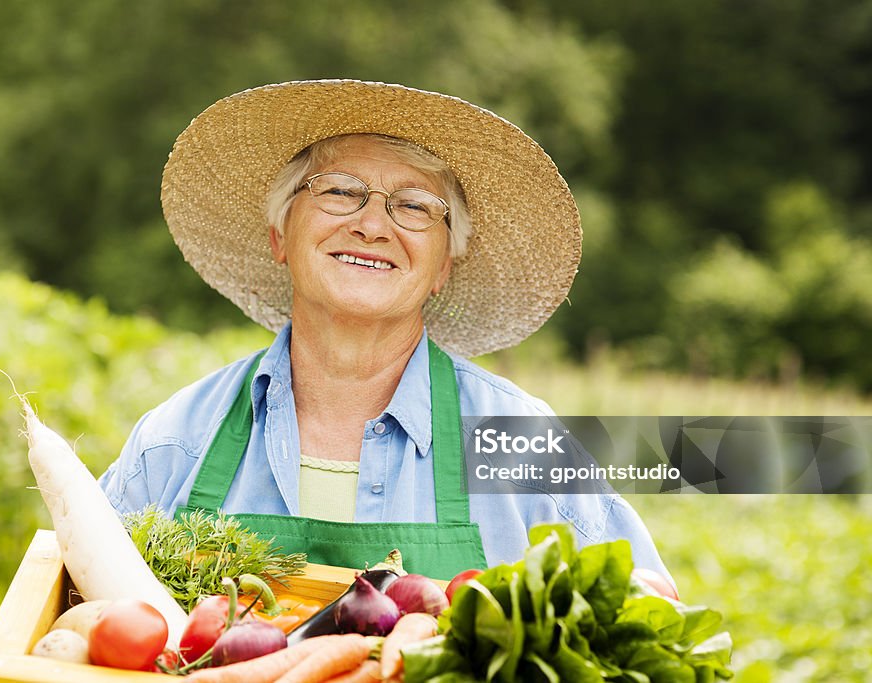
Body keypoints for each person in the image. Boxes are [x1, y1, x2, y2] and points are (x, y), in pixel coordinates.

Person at [100, 79, 674, 586]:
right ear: (280, 235)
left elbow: (649, 635)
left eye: (415, 206)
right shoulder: (174, 444)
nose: (371, 225)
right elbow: (77, 619)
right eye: (340, 191)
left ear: (444, 265)